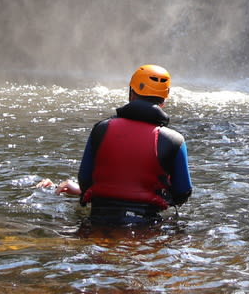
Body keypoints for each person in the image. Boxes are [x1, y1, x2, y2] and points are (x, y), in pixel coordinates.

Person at [47, 64, 193, 225]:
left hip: (98, 220)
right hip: (146, 226)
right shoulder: (175, 141)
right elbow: (182, 192)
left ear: (131, 94)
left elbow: (85, 179)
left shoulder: (101, 128)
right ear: (164, 100)